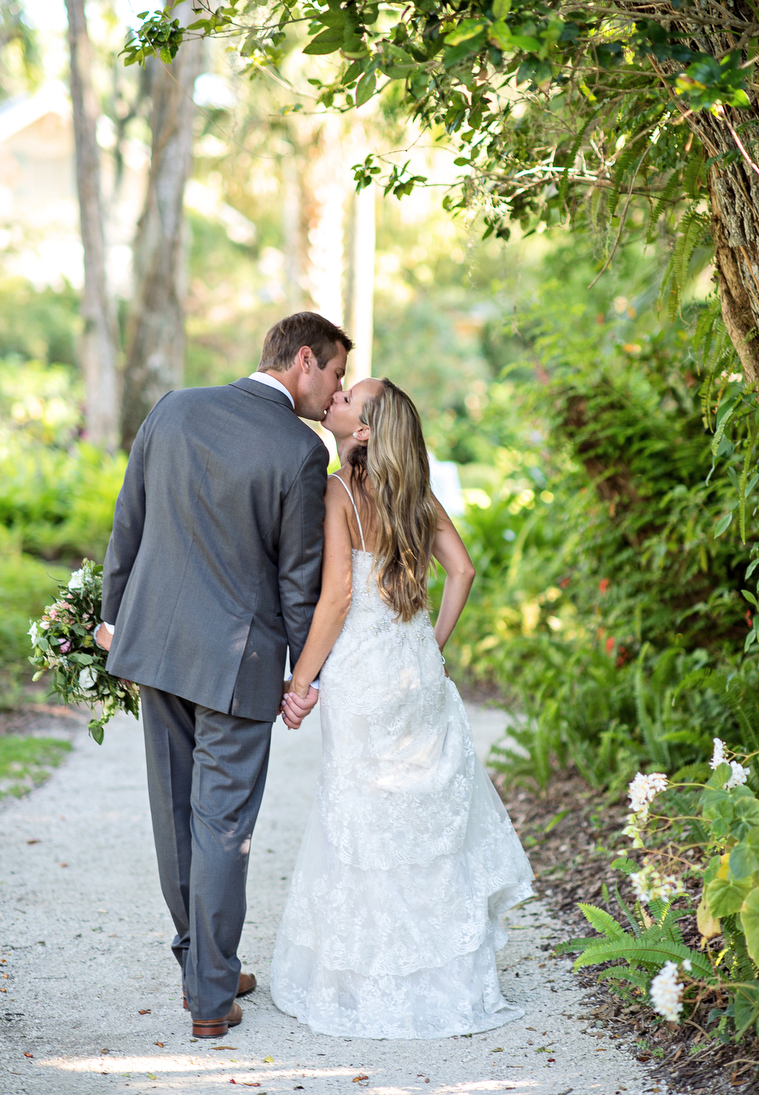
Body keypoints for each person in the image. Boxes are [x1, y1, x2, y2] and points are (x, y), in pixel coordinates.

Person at [95, 312, 352, 1039]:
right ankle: (211, 994)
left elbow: (128, 523)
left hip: (155, 647)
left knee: (175, 817)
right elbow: (298, 579)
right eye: (333, 373)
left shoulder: (174, 407)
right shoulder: (298, 451)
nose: (333, 391)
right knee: (222, 825)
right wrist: (306, 677)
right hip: (237, 664)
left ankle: (201, 961)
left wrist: (114, 620)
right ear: (305, 359)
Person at [271, 378, 534, 1039]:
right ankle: (441, 975)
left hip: (361, 672)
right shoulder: (416, 495)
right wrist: (432, 643)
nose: (333, 399)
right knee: (422, 824)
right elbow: (463, 572)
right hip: (414, 666)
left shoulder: (335, 493)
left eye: (347, 400)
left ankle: (368, 978)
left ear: (362, 432)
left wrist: (300, 683)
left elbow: (334, 600)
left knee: (361, 818)